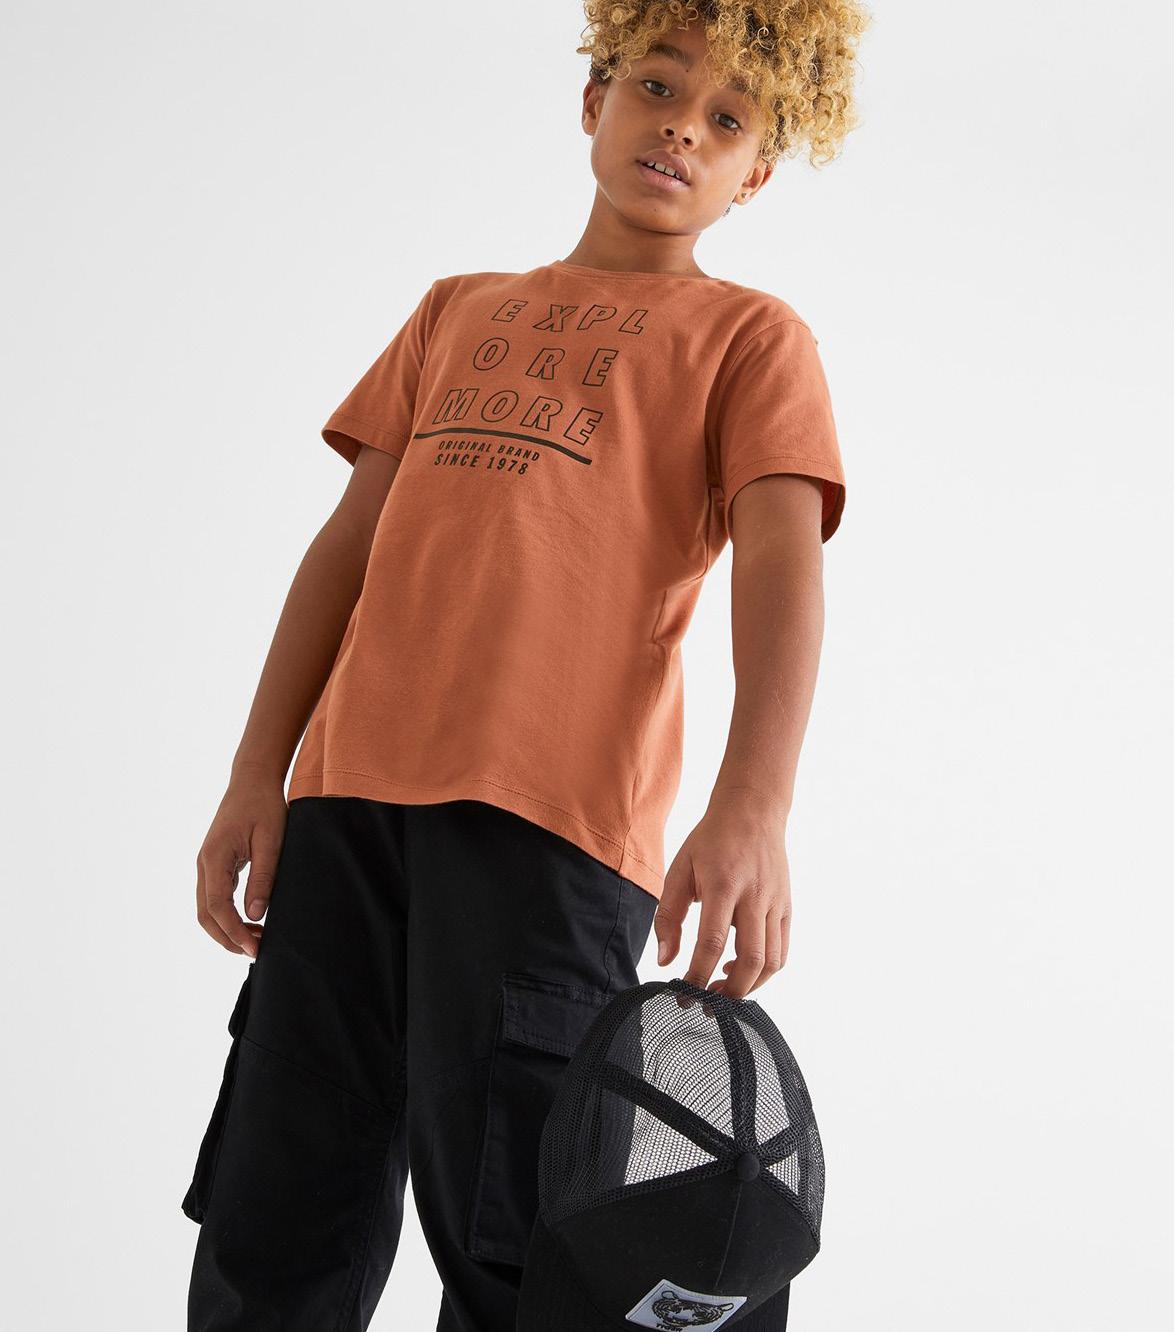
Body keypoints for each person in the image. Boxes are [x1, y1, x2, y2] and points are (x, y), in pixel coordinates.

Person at [181, 2, 867, 1329]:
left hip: (550, 830)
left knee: (523, 1251)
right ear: (593, 100)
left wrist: (753, 807)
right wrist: (257, 770)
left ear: (757, 173)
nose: (682, 127)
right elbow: (344, 551)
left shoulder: (750, 338)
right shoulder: (457, 309)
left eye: (727, 118)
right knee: (274, 1215)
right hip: (344, 808)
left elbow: (785, 573)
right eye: (657, 86)